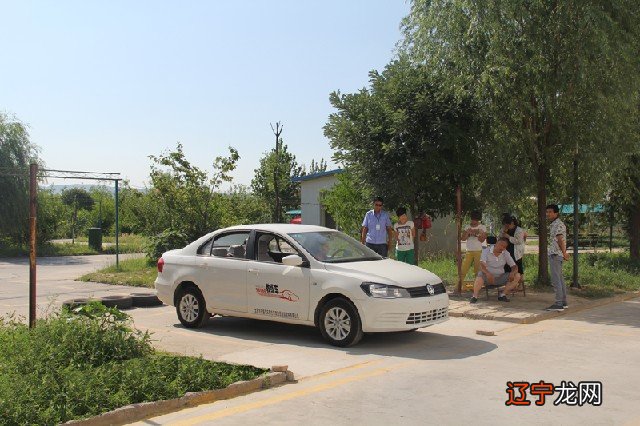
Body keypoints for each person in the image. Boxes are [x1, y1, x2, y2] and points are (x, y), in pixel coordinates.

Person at [470, 237, 520, 303]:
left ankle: (502, 295)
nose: (502, 248)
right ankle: (475, 296)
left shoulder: (505, 253)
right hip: (487, 277)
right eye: (501, 245)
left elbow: (514, 266)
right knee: (480, 275)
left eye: (504, 247)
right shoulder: (486, 251)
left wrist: (513, 272)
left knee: (517, 275)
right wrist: (488, 273)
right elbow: (482, 265)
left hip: (500, 277)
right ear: (496, 243)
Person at [545, 204, 569, 311]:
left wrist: (564, 253)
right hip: (556, 254)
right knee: (560, 278)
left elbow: (560, 239)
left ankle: (559, 303)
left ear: (556, 213)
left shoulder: (558, 224)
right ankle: (563, 302)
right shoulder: (554, 224)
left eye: (550, 212)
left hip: (555, 254)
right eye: (547, 212)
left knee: (556, 279)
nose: (548, 214)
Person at [500, 214, 526, 290]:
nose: (506, 227)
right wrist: (502, 233)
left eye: (507, 225)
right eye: (505, 225)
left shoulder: (519, 230)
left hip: (516, 252)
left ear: (512, 223)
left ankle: (520, 285)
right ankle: (510, 284)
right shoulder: (504, 229)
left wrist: (508, 237)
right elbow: (500, 238)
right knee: (507, 268)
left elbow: (519, 241)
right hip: (506, 251)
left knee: (518, 268)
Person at [461, 210, 487, 279]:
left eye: (476, 220)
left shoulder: (482, 227)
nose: (474, 221)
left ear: (478, 220)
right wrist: (467, 233)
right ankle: (459, 284)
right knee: (464, 268)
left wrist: (477, 234)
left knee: (477, 269)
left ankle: (477, 284)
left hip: (478, 251)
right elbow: (463, 239)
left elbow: (482, 240)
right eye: (473, 219)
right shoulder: (467, 226)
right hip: (469, 250)